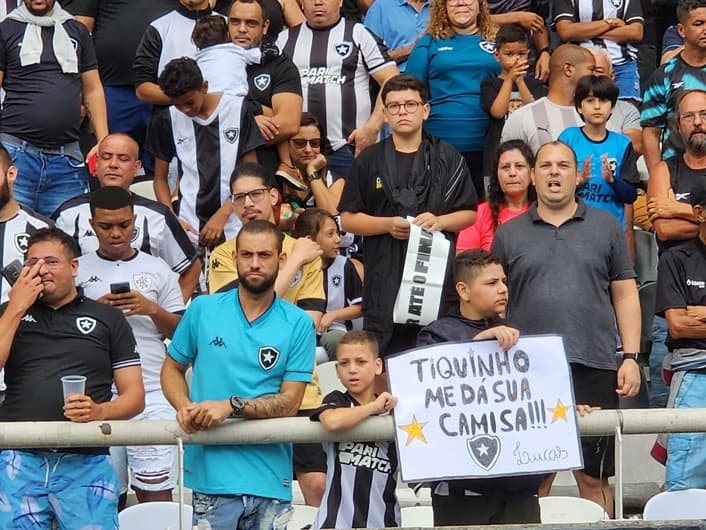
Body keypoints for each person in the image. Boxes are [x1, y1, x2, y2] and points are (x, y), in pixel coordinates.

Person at [491, 140, 641, 517]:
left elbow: (625, 293)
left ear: (578, 176)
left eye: (563, 165)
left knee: (593, 477)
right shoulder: (508, 235)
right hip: (528, 373)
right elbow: (491, 302)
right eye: (545, 165)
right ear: (532, 176)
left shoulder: (607, 226)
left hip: (595, 364)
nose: (554, 172)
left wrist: (632, 357)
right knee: (533, 478)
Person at [161, 219, 316, 530]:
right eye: (246, 255)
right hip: (211, 476)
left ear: (281, 259)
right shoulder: (203, 309)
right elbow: (171, 369)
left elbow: (290, 402)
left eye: (264, 255)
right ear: (235, 259)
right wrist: (184, 406)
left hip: (270, 476)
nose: (254, 264)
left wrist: (230, 405)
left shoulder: (298, 323)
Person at [0, 227, 144, 528]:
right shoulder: (8, 312)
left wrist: (99, 411)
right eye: (32, 263)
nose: (41, 270)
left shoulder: (108, 317)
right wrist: (16, 307)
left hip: (85, 460)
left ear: (74, 266)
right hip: (18, 457)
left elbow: (135, 397)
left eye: (51, 262)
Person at [208, 163, 327, 505]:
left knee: (317, 486)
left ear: (274, 195)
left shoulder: (307, 252)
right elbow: (242, 315)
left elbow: (310, 322)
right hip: (243, 391)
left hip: (299, 387)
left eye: (256, 194)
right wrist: (292, 263)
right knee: (247, 493)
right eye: (239, 197)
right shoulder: (224, 256)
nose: (248, 203)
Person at [339, 74, 478, 360]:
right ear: (385, 114)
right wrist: (386, 225)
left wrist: (440, 222)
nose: (402, 111)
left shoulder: (447, 157)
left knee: (434, 355)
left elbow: (469, 213)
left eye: (410, 105)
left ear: (425, 110)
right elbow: (348, 219)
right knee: (384, 359)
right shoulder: (369, 159)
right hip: (383, 275)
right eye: (394, 106)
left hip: (434, 277)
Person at [76, 186, 184, 507]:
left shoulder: (157, 268)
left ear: (134, 220)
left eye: (124, 225)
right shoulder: (76, 269)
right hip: (96, 396)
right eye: (106, 226)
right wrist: (95, 309)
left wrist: (151, 309)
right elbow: (61, 333)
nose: (116, 233)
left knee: (156, 494)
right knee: (104, 497)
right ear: (92, 225)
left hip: (151, 391)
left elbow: (182, 333)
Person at [417, 249, 542, 524]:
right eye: (491, 283)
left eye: (504, 281)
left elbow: (537, 395)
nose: (503, 289)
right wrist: (477, 345)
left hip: (519, 485)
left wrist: (566, 407)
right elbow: (428, 396)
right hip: (462, 487)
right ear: (463, 290)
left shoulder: (520, 334)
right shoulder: (436, 335)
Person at [52, 133, 201, 301]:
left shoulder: (158, 216)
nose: (113, 165)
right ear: (97, 163)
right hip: (84, 322)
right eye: (106, 157)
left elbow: (191, 268)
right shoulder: (68, 214)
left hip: (146, 322)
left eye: (123, 159)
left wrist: (168, 311)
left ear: (137, 167)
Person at [0, 0, 108, 216]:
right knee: (14, 234)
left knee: (65, 239)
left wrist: (104, 139)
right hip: (16, 154)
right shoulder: (6, 29)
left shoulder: (77, 30)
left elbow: (93, 89)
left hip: (67, 159)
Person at [148, 57, 265, 248]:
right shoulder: (166, 119)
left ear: (204, 87)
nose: (184, 110)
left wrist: (224, 213)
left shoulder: (238, 110)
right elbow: (160, 178)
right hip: (190, 226)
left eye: (189, 102)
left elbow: (251, 174)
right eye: (177, 104)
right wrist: (172, 218)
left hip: (235, 222)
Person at [277, 0, 399, 178]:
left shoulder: (359, 34)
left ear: (341, 1)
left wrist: (372, 127)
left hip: (350, 146)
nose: (318, 2)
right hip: (300, 150)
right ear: (301, 3)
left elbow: (391, 79)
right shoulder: (284, 39)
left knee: (355, 205)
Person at [646, 88, 706, 408]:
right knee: (663, 405)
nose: (698, 123)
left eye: (704, 115)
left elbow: (672, 219)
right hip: (673, 300)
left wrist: (680, 209)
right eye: (689, 117)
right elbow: (664, 229)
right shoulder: (665, 170)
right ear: (678, 126)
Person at [66, 0, 174, 177]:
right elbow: (79, 31)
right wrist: (77, 91)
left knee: (164, 170)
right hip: (111, 88)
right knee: (111, 162)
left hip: (165, 93)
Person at [406, 0, 501, 198]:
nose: (461, 3)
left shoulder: (499, 41)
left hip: (492, 146)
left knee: (487, 213)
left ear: (480, 4)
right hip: (442, 148)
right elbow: (410, 93)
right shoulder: (429, 43)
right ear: (443, 6)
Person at [310, 330, 400, 529]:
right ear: (336, 370)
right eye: (344, 363)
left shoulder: (396, 411)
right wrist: (374, 407)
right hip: (333, 524)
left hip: (383, 522)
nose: (352, 369)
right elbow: (332, 421)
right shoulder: (336, 399)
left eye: (360, 362)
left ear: (377, 366)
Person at [654, 184, 706, 490]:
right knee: (686, 481)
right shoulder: (676, 259)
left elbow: (688, 320)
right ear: (698, 213)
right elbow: (678, 326)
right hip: (694, 376)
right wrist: (687, 317)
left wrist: (698, 312)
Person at [227, 0, 304, 185]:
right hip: (212, 176)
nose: (242, 29)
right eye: (235, 22)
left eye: (251, 23)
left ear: (265, 26)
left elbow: (288, 124)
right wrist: (250, 122)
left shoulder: (280, 66)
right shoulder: (210, 63)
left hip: (263, 178)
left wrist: (235, 128)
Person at [558, 75, 639, 228]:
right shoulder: (568, 138)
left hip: (610, 229)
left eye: (603, 101)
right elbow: (554, 185)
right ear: (579, 107)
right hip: (572, 228)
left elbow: (631, 195)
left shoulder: (622, 144)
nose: (597, 106)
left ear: (612, 107)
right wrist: (578, 181)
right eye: (590, 101)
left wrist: (613, 181)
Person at [641, 0, 706, 172]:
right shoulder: (663, 75)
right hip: (676, 174)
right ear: (681, 30)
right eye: (698, 24)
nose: (705, 30)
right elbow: (651, 133)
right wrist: (658, 177)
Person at [293, 208, 363, 359]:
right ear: (309, 239)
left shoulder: (345, 266)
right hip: (299, 330)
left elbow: (360, 307)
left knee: (335, 341)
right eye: (330, 234)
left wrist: (332, 316)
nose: (338, 239)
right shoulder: (292, 266)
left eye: (337, 233)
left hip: (335, 329)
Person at [500, 44, 596, 153]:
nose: (596, 76)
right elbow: (509, 164)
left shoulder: (597, 114)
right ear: (568, 69)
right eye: (591, 69)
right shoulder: (523, 117)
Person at [481, 24, 547, 179]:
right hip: (497, 151)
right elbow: (497, 112)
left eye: (521, 54)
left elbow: (534, 112)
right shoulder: (489, 83)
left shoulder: (535, 84)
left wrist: (520, 81)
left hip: (528, 150)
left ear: (528, 54)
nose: (516, 59)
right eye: (509, 54)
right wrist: (510, 80)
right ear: (497, 55)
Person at [553, 0, 644, 102]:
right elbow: (566, 31)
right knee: (581, 113)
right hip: (581, 67)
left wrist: (584, 31)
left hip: (621, 68)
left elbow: (636, 32)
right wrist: (609, 23)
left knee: (626, 113)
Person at [457, 140, 535, 251]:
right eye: (505, 167)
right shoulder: (480, 213)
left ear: (532, 174)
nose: (512, 173)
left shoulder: (543, 211)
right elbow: (462, 258)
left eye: (519, 166)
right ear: (496, 175)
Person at [133, 0, 215, 107]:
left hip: (221, 116)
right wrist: (186, 99)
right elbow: (142, 88)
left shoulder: (228, 25)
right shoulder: (159, 28)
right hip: (170, 118)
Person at [192, 14, 260, 97]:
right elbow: (258, 56)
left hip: (208, 101)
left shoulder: (198, 59)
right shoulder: (235, 49)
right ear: (227, 35)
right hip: (235, 99)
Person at [363, 0, 431, 72]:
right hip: (399, 79)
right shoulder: (381, 7)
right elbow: (369, 60)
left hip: (437, 78)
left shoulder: (439, 6)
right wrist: (412, 49)